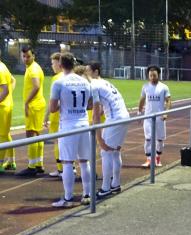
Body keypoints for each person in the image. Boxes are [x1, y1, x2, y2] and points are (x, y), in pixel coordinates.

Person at [48, 52, 93, 207]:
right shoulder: (86, 82)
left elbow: (53, 108)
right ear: (74, 64)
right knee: (84, 161)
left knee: (67, 162)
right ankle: (87, 194)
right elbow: (90, 105)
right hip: (83, 124)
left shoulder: (59, 83)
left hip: (68, 125)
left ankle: (67, 199)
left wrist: (63, 105)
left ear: (60, 65)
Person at [86, 61, 129, 198]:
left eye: (88, 71)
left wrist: (99, 138)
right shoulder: (105, 83)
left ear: (96, 72)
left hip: (115, 119)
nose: (86, 74)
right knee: (115, 152)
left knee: (106, 153)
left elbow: (96, 112)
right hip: (124, 116)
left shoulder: (94, 84)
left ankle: (105, 188)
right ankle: (115, 184)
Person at [16, 46, 46, 176]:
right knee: (37, 135)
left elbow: (36, 86)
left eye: (28, 56)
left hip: (34, 106)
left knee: (31, 134)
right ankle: (39, 164)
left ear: (33, 55)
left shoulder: (33, 69)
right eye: (24, 56)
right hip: (38, 104)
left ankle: (32, 166)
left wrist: (27, 102)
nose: (26, 59)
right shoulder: (34, 67)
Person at [138, 65, 171, 168]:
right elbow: (142, 99)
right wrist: (139, 112)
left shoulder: (164, 87)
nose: (152, 77)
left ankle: (157, 157)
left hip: (160, 118)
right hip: (148, 117)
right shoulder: (145, 86)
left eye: (154, 75)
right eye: (150, 75)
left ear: (158, 75)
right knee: (148, 139)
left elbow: (168, 101)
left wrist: (166, 113)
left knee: (160, 140)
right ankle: (148, 159)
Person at [0, 50, 16, 173]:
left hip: (2, 107)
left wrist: (7, 95)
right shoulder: (3, 65)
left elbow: (4, 90)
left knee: (2, 136)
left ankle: (0, 164)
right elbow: (13, 80)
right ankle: (11, 161)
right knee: (6, 134)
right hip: (6, 104)